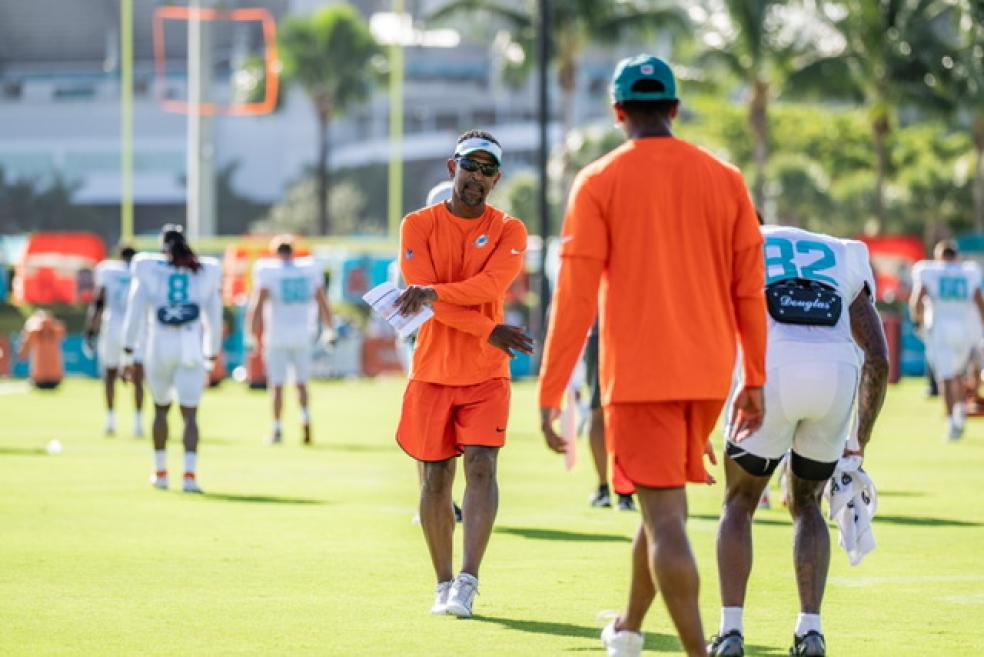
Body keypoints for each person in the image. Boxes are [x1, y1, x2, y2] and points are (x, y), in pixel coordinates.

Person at [536, 55, 767, 657]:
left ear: (618, 112)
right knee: (662, 503)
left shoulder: (598, 181)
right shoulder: (726, 179)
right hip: (709, 374)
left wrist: (550, 391)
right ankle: (629, 630)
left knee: (666, 518)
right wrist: (756, 376)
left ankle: (697, 652)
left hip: (640, 376)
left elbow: (574, 299)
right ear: (674, 109)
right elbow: (750, 288)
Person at [708, 223, 889, 657]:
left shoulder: (737, 242)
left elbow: (712, 330)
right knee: (806, 502)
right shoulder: (842, 251)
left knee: (740, 502)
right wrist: (858, 441)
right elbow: (878, 358)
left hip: (770, 368)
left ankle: (730, 631)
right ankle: (811, 631)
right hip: (836, 374)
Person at [393, 129, 533, 618]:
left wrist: (434, 295)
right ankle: (442, 583)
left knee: (481, 467)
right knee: (435, 480)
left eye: (487, 169)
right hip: (432, 369)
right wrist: (488, 329)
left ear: (497, 178)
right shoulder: (418, 224)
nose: (477, 176)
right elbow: (420, 295)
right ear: (452, 168)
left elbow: (487, 285)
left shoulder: (509, 230)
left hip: (486, 374)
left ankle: (468, 581)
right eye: (470, 166)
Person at [122, 225, 222, 493]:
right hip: (190, 343)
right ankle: (189, 476)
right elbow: (214, 314)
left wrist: (129, 352)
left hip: (160, 342)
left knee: (161, 409)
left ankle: (161, 472)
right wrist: (212, 353)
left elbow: (135, 312)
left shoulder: (148, 267)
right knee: (190, 414)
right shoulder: (205, 269)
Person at [248, 235, 332, 445]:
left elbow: (258, 305)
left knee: (277, 385)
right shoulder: (308, 270)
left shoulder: (269, 271)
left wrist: (252, 334)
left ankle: (276, 429)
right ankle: (305, 418)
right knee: (301, 383)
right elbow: (323, 302)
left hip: (277, 334)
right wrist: (329, 329)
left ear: (276, 252)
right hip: (303, 333)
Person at [910, 240, 984, 440]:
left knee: (945, 377)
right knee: (958, 374)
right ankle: (960, 411)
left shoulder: (930, 271)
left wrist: (918, 322)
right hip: (964, 330)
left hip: (940, 328)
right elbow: (979, 301)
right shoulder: (968, 272)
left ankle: (952, 421)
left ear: (939, 256)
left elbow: (917, 299)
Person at [86, 245, 144, 437]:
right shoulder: (142, 272)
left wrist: (90, 331)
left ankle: (111, 420)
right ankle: (138, 422)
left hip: (112, 326)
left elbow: (98, 302)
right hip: (135, 329)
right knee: (137, 376)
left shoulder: (108, 271)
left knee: (110, 375)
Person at [584, 321, 636, 511]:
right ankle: (618, 491)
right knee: (606, 411)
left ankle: (614, 489)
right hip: (610, 333)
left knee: (612, 412)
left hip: (612, 332)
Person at [18, 310, 66, 389]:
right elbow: (61, 328)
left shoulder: (34, 332)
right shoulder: (54, 332)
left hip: (40, 379)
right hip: (53, 379)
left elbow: (24, 346)